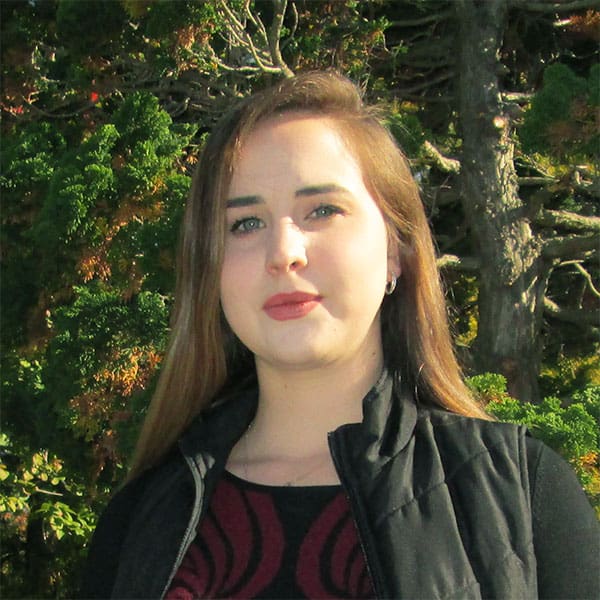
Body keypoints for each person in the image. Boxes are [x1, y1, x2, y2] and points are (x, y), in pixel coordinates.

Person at [81, 71, 599, 599]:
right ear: (209, 268)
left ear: (395, 250)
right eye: (244, 223)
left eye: (322, 210)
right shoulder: (143, 522)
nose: (283, 252)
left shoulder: (522, 497)